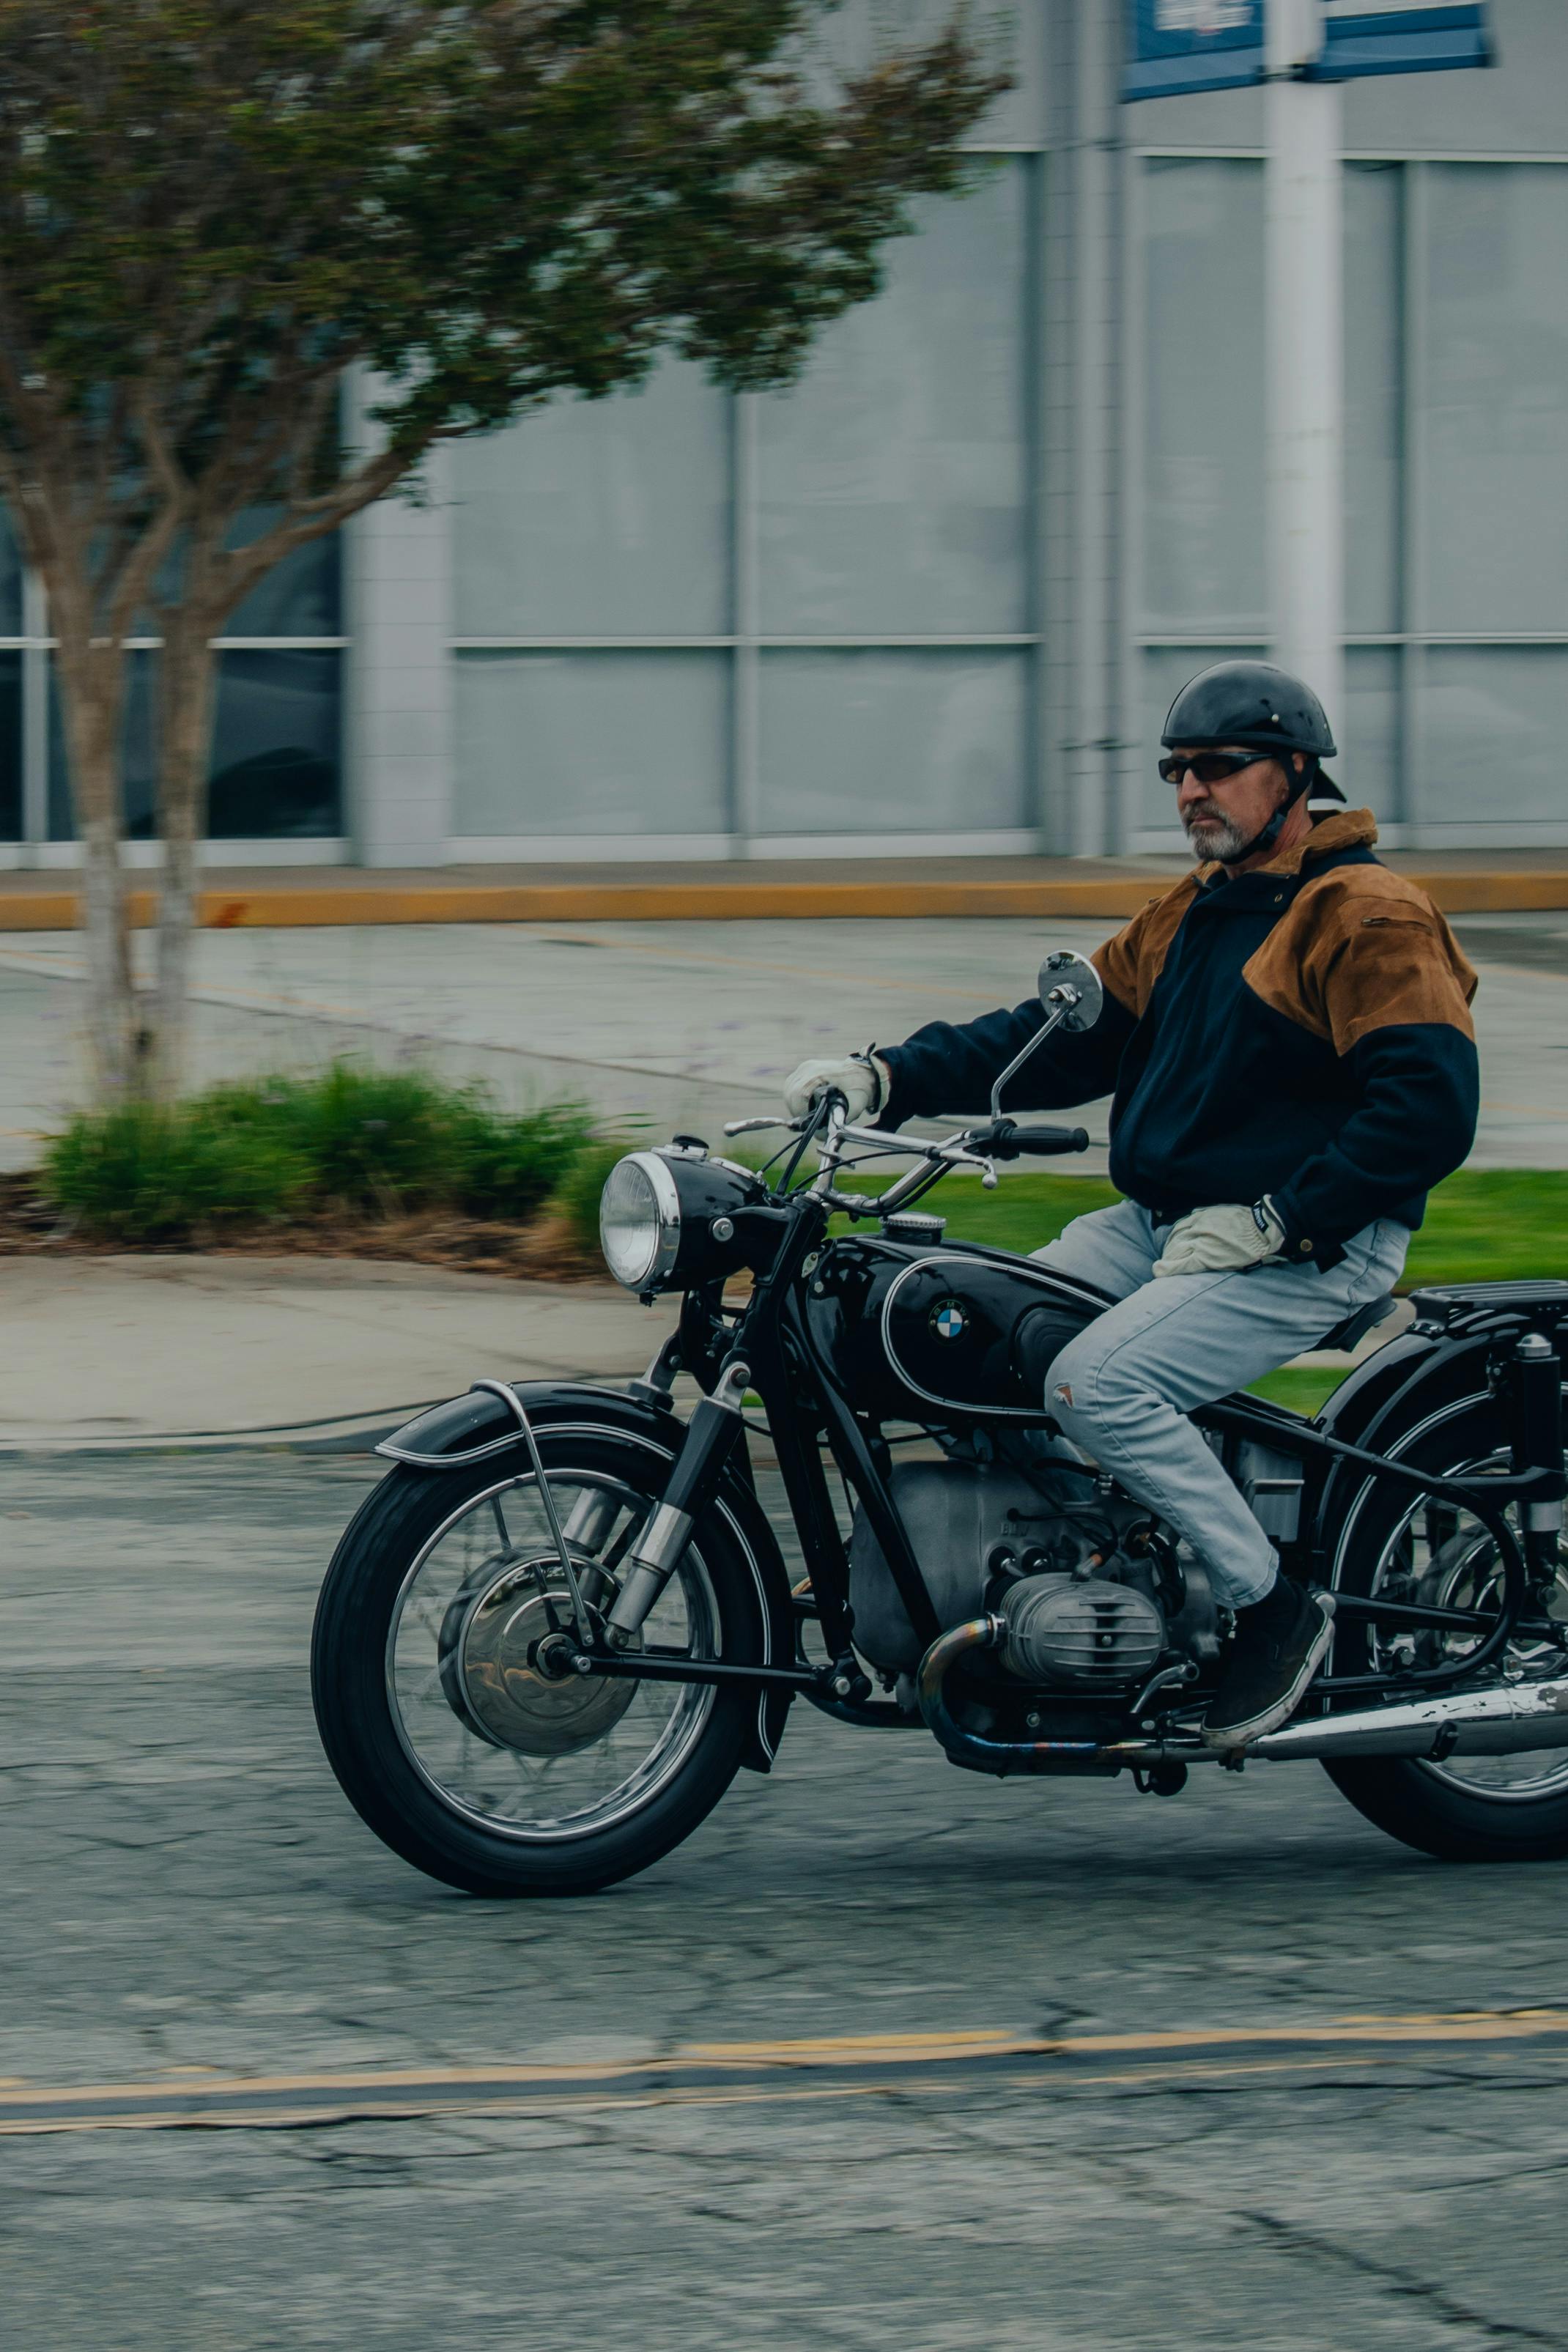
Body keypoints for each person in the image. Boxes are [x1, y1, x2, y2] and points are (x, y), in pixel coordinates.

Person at [783, 660, 1480, 1749]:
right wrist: (888, 1077)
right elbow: (1053, 1035)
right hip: (1166, 1223)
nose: (1192, 789)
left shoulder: (1365, 911)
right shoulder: (1194, 911)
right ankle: (1094, 1568)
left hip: (1314, 1238)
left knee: (1091, 1379)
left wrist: (1278, 1217)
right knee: (973, 1326)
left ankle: (1269, 1603)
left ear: (1297, 773)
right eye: (1177, 771)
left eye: (1218, 766)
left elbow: (1429, 1113)